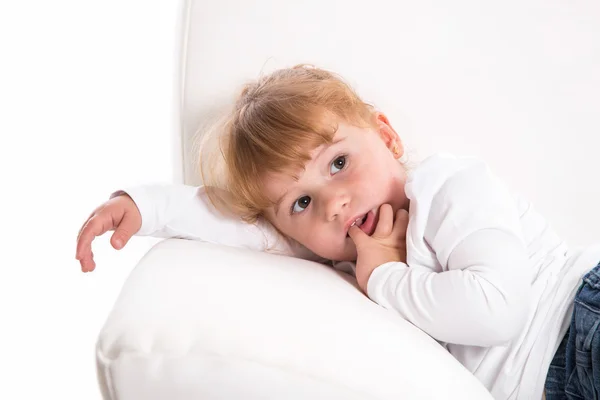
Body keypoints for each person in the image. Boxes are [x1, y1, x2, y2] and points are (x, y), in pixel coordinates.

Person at [75, 64, 600, 400]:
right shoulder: (336, 252)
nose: (333, 203)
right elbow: (235, 221)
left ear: (386, 135)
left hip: (577, 322)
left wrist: (386, 277)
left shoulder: (446, 187)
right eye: (301, 202)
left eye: (339, 162)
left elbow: (499, 309)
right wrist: (143, 206)